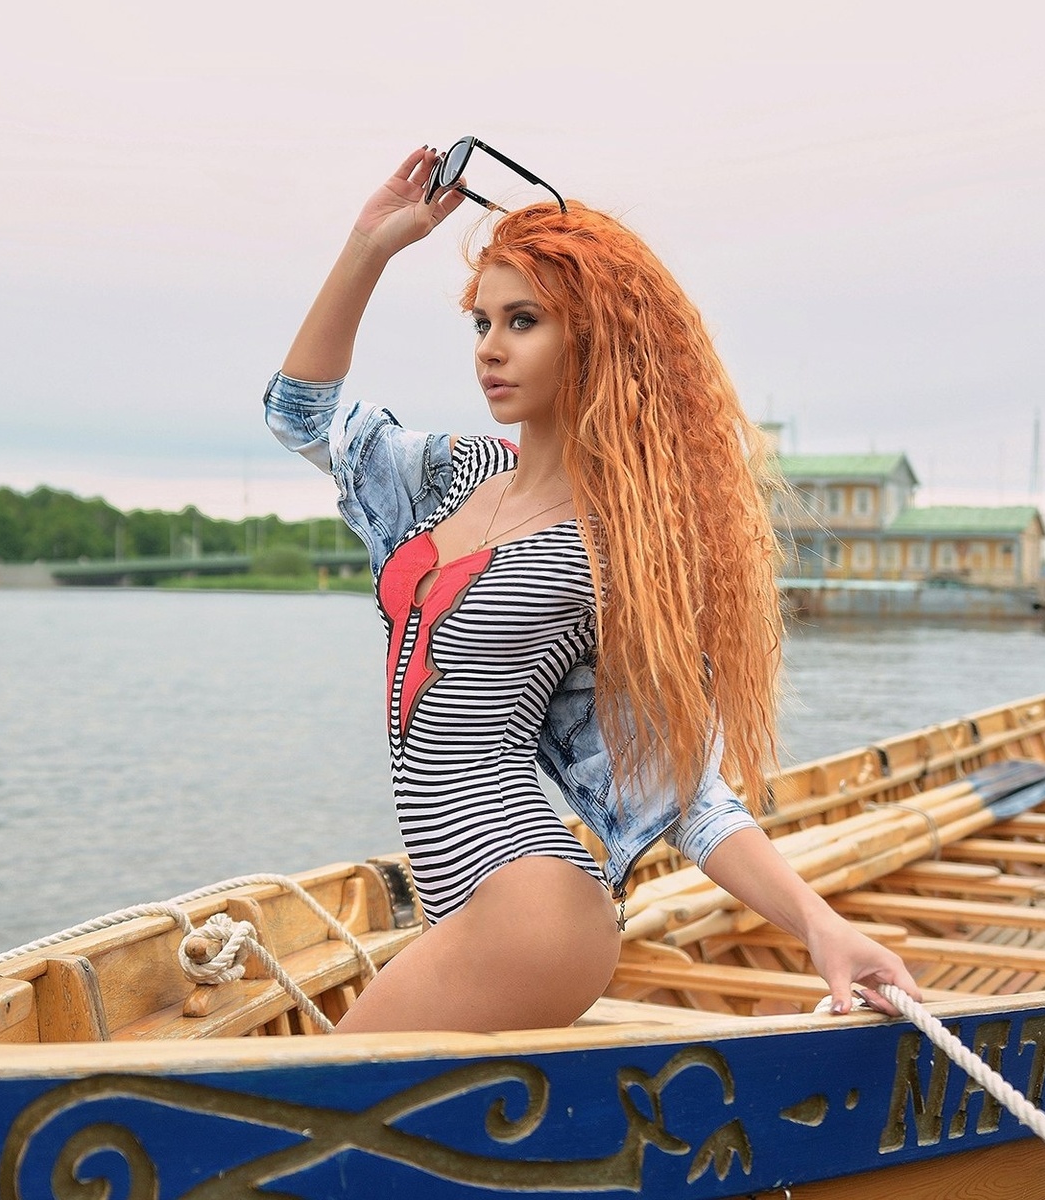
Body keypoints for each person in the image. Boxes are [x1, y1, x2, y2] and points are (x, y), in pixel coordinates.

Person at [265, 144, 920, 1034]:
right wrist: (371, 245)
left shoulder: (616, 551)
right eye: (481, 323)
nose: (490, 350)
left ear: (594, 337)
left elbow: (686, 793)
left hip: (532, 911)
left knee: (307, 1109)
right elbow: (297, 412)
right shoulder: (453, 474)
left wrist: (822, 926)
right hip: (456, 906)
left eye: (524, 321)